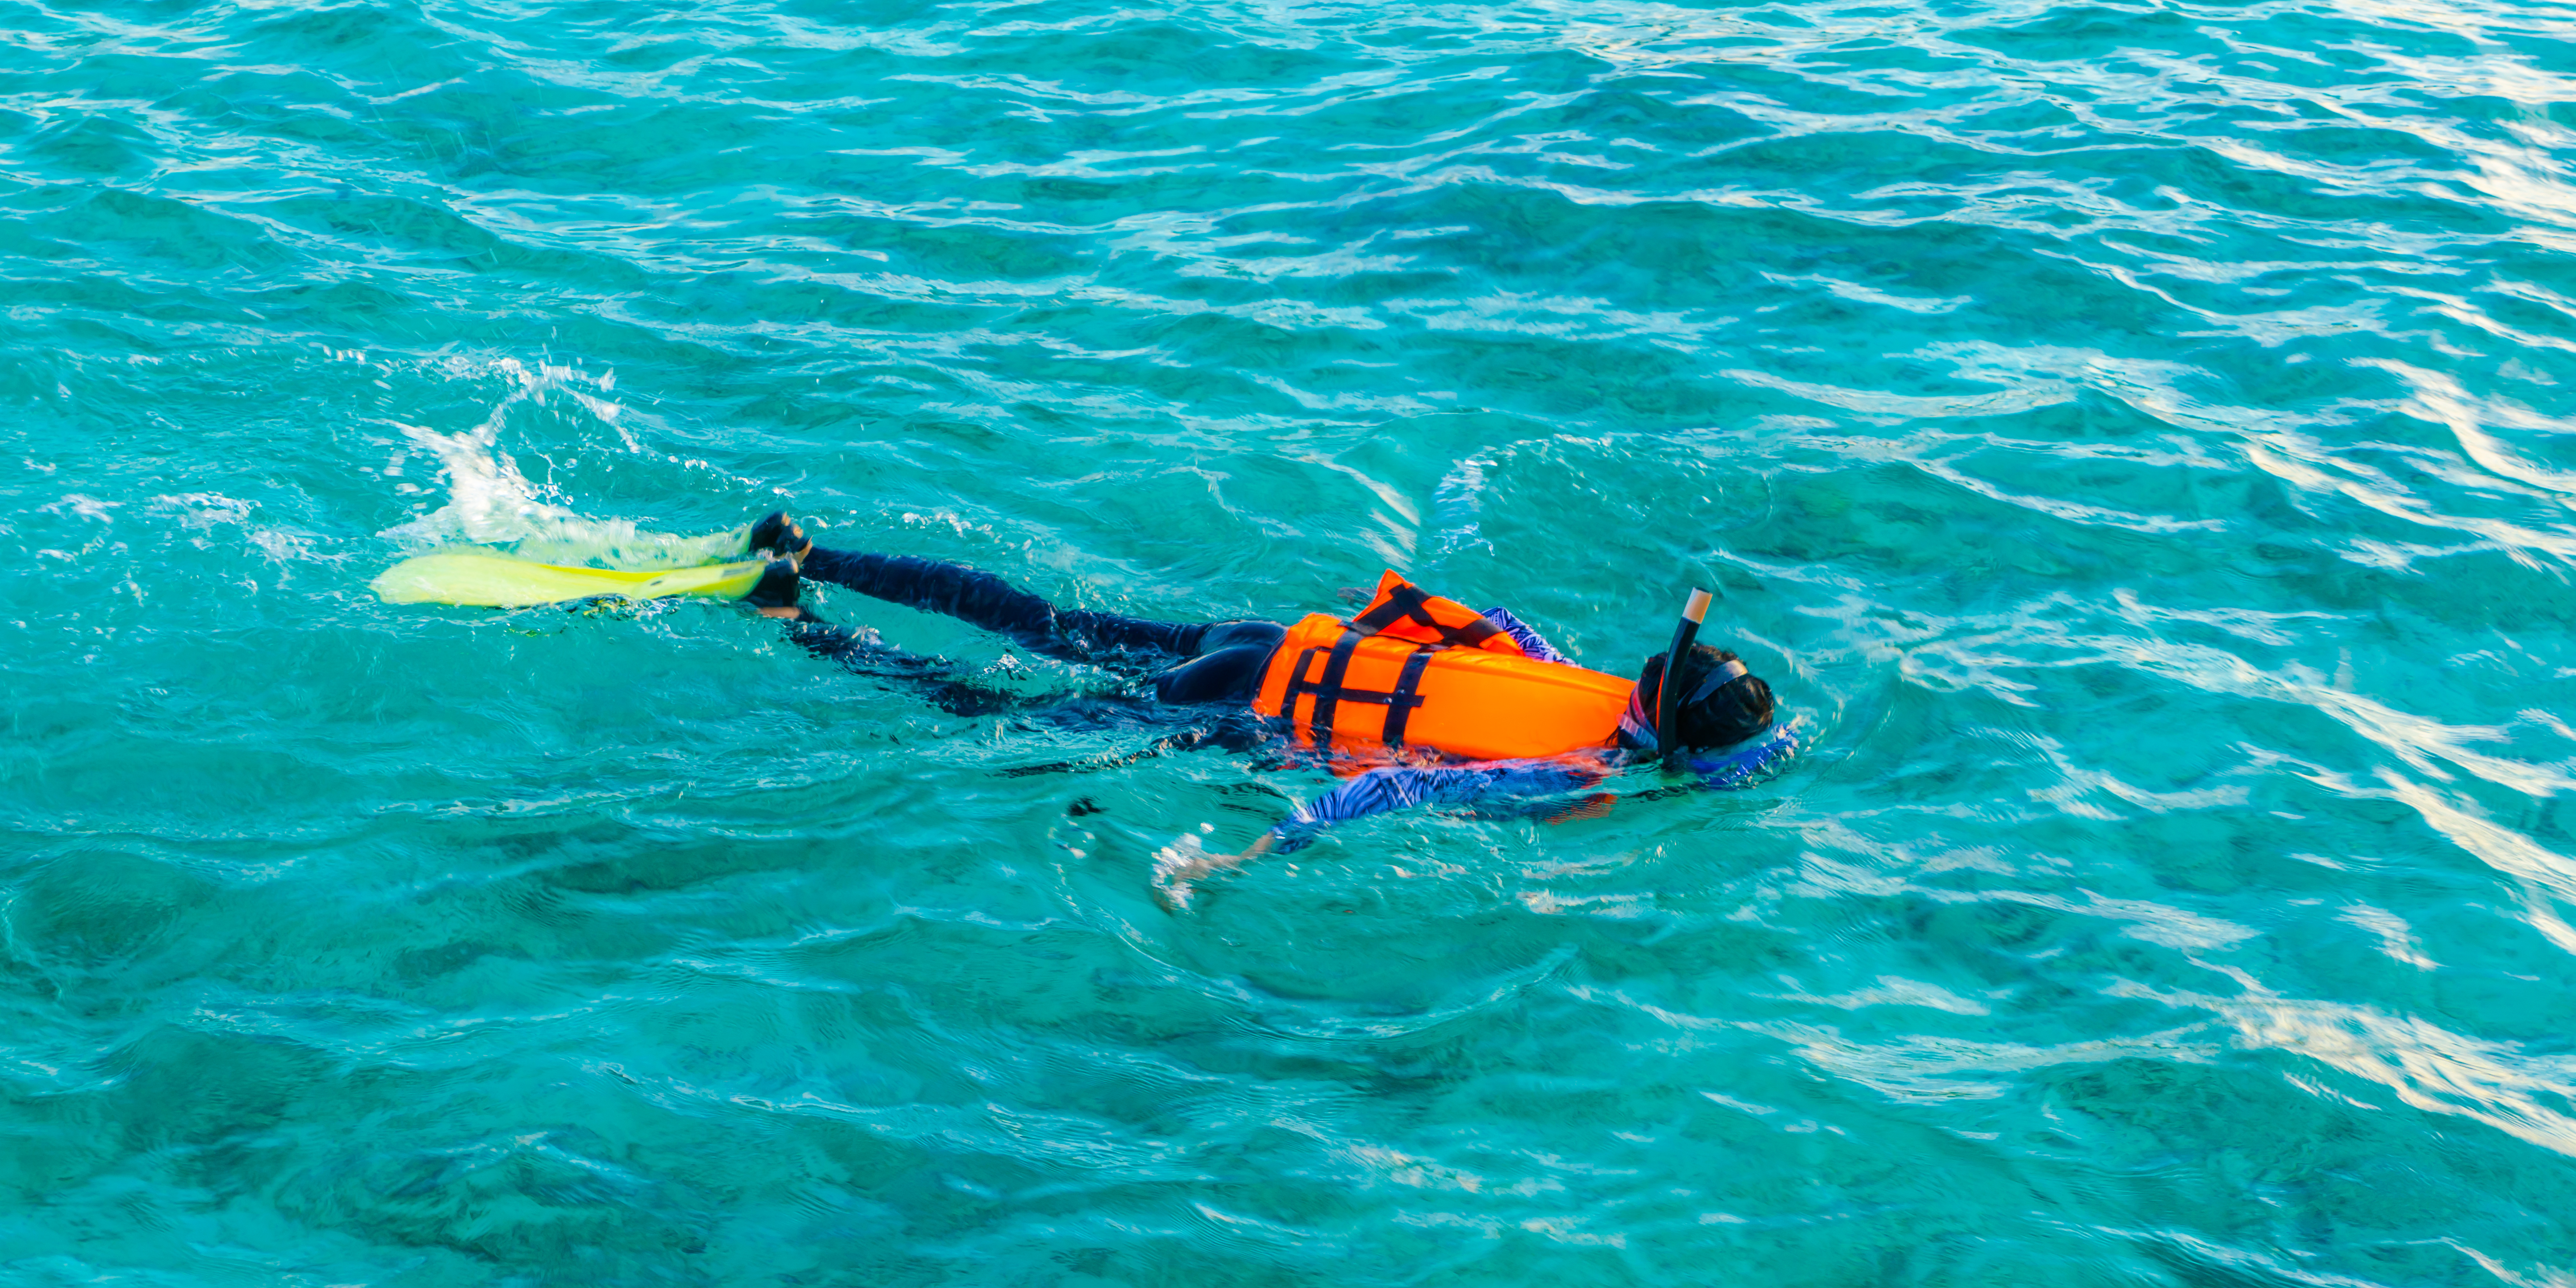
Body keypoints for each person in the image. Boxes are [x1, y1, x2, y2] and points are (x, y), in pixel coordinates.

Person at [731, 510, 1792, 899]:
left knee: (1045, 624)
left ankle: (813, 554)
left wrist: (1390, 624)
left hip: (1267, 641)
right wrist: (1250, 854)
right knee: (992, 715)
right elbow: (1389, 790)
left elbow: (1497, 627)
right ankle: (795, 619)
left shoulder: (1578, 683)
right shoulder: (1570, 768)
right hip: (1245, 703)